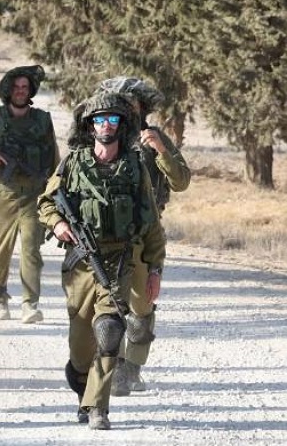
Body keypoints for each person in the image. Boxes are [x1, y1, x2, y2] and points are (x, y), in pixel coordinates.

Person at [38, 92, 166, 430]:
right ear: (90, 126)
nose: (105, 125)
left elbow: (151, 223)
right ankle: (83, 384)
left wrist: (154, 269)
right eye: (99, 120)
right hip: (80, 264)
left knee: (109, 331)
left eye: (112, 120)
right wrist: (58, 224)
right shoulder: (72, 164)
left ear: (121, 126)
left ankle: (98, 407)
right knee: (81, 346)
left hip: (120, 260)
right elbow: (45, 203)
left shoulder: (135, 167)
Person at [96, 77, 191, 396]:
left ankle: (133, 366)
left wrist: (160, 149)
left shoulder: (154, 137)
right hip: (108, 232)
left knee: (141, 304)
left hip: (146, 231)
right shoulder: (101, 135)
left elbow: (181, 182)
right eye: (120, 103)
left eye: (132, 103)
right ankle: (114, 366)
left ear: (142, 107)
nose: (127, 108)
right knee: (110, 302)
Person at [0, 65, 59, 322]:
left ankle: (29, 304)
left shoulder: (42, 120)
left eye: (25, 87)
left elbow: (53, 158)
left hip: (35, 195)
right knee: (1, 251)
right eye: (16, 87)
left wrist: (55, 190)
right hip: (4, 195)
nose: (21, 91)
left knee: (31, 251)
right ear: (8, 90)